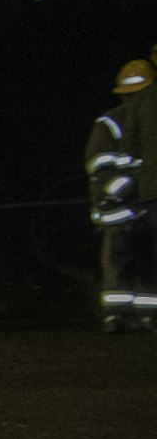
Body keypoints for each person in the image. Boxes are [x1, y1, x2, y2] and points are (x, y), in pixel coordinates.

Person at [87, 58, 157, 331]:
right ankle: (119, 315)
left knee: (133, 263)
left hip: (132, 206)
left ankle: (135, 316)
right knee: (128, 262)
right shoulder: (113, 122)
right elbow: (102, 166)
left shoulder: (116, 121)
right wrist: (122, 192)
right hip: (125, 206)